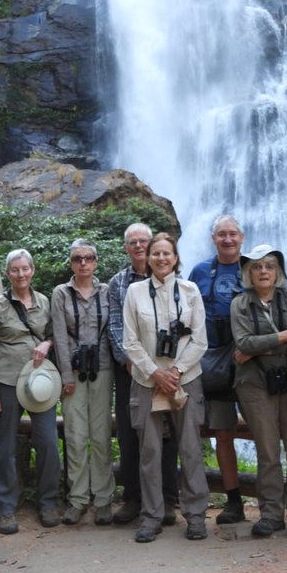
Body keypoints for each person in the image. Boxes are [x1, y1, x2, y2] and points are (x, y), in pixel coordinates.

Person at [122, 232, 209, 543]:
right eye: (155, 253)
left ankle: (196, 515)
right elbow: (130, 341)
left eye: (166, 254)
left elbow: (200, 339)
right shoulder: (134, 292)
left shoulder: (190, 290)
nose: (161, 258)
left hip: (185, 380)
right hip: (147, 381)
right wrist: (155, 373)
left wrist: (175, 371)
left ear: (176, 258)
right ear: (147, 257)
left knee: (190, 448)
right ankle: (151, 516)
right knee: (150, 451)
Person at [230, 244, 287, 539]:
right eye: (256, 266)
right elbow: (243, 343)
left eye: (268, 266)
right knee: (267, 452)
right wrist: (281, 336)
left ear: (277, 271)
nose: (263, 271)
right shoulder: (240, 304)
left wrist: (259, 345)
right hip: (255, 384)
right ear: (248, 273)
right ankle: (270, 514)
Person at [0, 248, 62, 533]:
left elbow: (53, 333)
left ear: (33, 270)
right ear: (8, 273)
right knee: (4, 446)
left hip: (40, 384)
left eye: (25, 268)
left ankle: (48, 501)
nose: (21, 274)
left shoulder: (44, 301)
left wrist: (47, 344)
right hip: (6, 380)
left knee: (48, 441)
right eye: (15, 270)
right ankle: (5, 507)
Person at [106, 223, 180, 526]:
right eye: (133, 242)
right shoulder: (118, 283)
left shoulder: (168, 278)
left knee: (166, 432)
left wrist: (164, 365)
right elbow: (114, 325)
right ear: (126, 248)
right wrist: (129, 360)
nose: (138, 246)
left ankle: (168, 499)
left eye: (143, 242)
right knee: (129, 431)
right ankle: (134, 497)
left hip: (165, 367)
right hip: (130, 370)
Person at [186, 214, 246, 525]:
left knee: (247, 431)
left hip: (245, 360)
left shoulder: (253, 268)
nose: (227, 239)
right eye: (221, 234)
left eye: (232, 234)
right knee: (209, 433)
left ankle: (250, 499)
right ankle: (215, 500)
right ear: (213, 239)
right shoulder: (199, 272)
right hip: (204, 361)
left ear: (242, 237)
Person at [51, 239, 115, 526]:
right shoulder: (61, 294)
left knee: (100, 435)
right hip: (73, 370)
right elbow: (60, 336)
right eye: (78, 259)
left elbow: (113, 330)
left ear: (97, 262)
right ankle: (77, 499)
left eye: (89, 258)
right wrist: (65, 375)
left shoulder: (107, 292)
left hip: (102, 368)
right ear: (71, 263)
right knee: (76, 436)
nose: (83, 263)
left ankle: (103, 500)